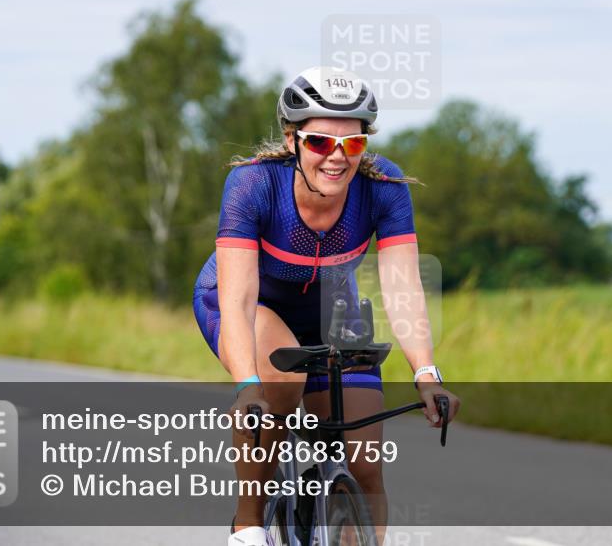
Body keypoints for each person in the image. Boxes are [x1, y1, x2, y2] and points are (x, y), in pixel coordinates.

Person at [192, 66, 460, 546]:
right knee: (282, 382)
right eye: (319, 143)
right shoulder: (253, 185)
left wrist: (426, 374)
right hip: (248, 301)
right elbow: (238, 299)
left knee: (364, 460)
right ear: (293, 140)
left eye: (352, 145)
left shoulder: (383, 186)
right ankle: (249, 525)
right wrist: (248, 386)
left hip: (330, 306)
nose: (336, 158)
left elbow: (402, 286)